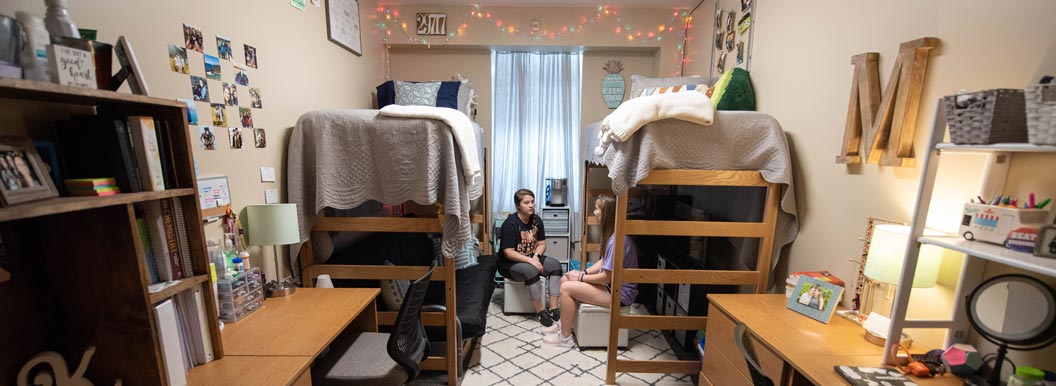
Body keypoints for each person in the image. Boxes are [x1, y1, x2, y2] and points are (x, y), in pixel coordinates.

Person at [542, 194, 638, 348]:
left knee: (567, 287)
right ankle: (563, 324)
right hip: (611, 287)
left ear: (606, 213)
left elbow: (605, 277)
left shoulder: (617, 240)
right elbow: (602, 261)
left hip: (620, 294)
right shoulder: (612, 235)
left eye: (597, 208)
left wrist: (579, 279)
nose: (594, 212)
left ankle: (565, 339)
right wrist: (583, 273)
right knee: (565, 279)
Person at [499, 189, 563, 327]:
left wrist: (535, 257)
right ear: (518, 206)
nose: (531, 205)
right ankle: (540, 312)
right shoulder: (510, 224)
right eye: (526, 203)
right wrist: (532, 261)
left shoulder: (536, 220)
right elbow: (508, 252)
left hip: (531, 257)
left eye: (532, 202)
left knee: (556, 265)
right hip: (509, 263)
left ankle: (553, 308)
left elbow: (542, 244)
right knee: (531, 271)